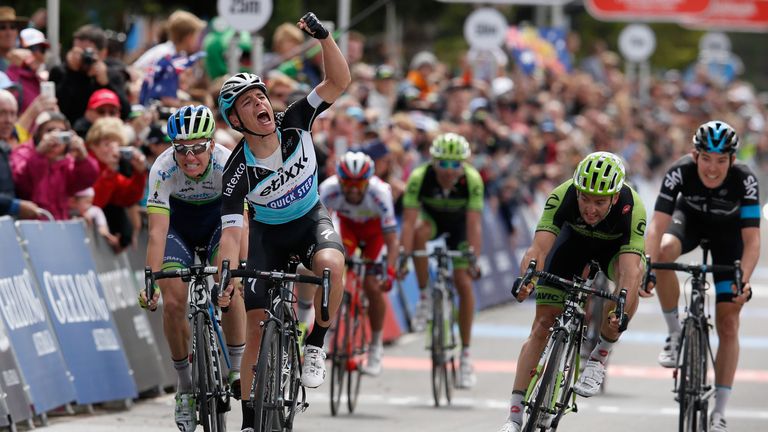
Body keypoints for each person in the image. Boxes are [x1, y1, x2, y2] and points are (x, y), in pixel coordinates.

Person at [216, 12, 350, 432]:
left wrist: (324, 39)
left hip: (310, 218)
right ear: (235, 120)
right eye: (247, 103)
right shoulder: (237, 168)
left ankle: (315, 344)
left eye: (260, 97)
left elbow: (338, 83)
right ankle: (251, 421)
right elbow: (233, 230)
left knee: (333, 267)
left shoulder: (295, 119)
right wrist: (226, 277)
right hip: (269, 235)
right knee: (256, 329)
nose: (259, 105)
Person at [496, 151, 647, 432]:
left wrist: (622, 306)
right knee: (541, 325)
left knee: (633, 280)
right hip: (572, 245)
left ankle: (599, 356)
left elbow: (628, 270)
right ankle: (514, 416)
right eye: (585, 198)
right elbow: (539, 248)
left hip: (613, 252)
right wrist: (527, 277)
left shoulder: (632, 207)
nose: (590, 208)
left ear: (615, 198)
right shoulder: (563, 194)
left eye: (599, 202)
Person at [138, 105, 246, 432]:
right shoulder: (162, 168)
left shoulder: (228, 163)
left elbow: (238, 228)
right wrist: (150, 281)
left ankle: (237, 370)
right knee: (172, 303)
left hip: (219, 227)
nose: (189, 157)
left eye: (198, 147)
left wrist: (236, 271)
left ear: (212, 143)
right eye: (181, 149)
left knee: (229, 287)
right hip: (178, 230)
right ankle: (185, 387)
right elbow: (157, 232)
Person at [644, 121, 758, 432]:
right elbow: (656, 226)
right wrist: (648, 265)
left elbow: (752, 240)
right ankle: (674, 333)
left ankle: (719, 413)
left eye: (721, 160)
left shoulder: (745, 179)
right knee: (664, 254)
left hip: (728, 237)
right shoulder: (679, 171)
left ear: (732, 160)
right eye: (707, 158)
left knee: (729, 320)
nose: (712, 168)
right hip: (689, 223)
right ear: (695, 155)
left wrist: (743, 280)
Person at [398, 132, 484, 389]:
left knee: (463, 283)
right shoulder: (419, 177)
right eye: (443, 164)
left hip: (459, 228)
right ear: (433, 162)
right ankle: (425, 296)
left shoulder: (472, 180)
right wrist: (403, 254)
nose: (448, 170)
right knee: (418, 233)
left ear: (463, 164)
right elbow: (409, 221)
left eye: (455, 164)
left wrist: (473, 258)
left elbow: (474, 225)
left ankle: (466, 355)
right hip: (432, 222)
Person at [318, 151, 399, 375]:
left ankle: (375, 347)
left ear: (368, 181)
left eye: (358, 184)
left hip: (374, 234)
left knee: (373, 286)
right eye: (348, 184)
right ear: (340, 180)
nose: (353, 189)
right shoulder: (329, 189)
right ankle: (325, 336)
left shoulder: (380, 192)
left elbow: (392, 240)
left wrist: (390, 271)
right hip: (348, 230)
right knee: (333, 273)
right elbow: (319, 228)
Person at [11, 111, 99, 220]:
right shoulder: (23, 153)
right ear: (38, 133)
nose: (56, 136)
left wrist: (83, 158)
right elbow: (21, 183)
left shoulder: (67, 161)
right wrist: (39, 154)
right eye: (49, 131)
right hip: (30, 225)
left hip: (58, 224)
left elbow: (85, 181)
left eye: (62, 132)